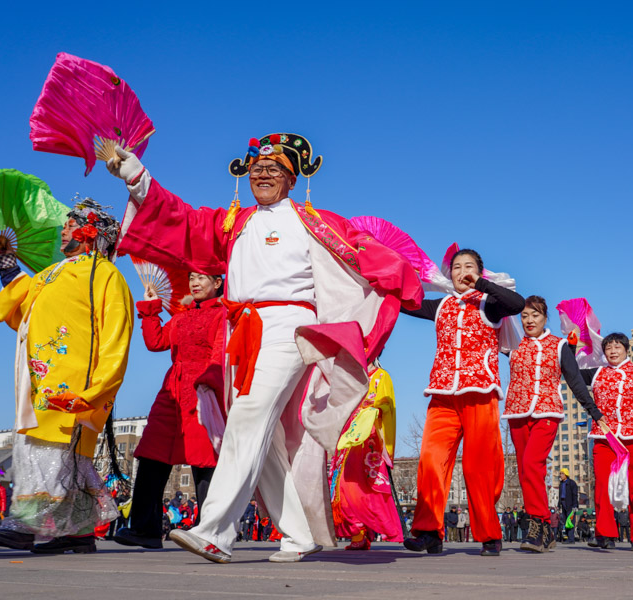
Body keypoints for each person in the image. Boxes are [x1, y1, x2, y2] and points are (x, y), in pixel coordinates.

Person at [110, 134, 421, 563]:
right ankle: (297, 535)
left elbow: (367, 255)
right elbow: (180, 218)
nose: (263, 174)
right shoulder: (232, 223)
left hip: (290, 326)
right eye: (257, 168)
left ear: (292, 179)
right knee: (267, 439)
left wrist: (410, 280)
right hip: (241, 331)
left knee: (248, 416)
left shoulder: (314, 222)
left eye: (274, 169)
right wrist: (137, 177)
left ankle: (215, 531)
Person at [0, 198, 132, 554]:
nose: (63, 230)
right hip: (39, 376)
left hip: (71, 381)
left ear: (90, 233)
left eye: (71, 225)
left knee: (47, 449)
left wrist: (98, 388)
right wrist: (7, 265)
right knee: (60, 454)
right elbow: (25, 312)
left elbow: (117, 334)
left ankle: (27, 523)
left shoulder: (105, 274)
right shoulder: (52, 273)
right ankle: (77, 531)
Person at [401, 248, 524, 557]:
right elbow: (403, 302)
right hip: (442, 395)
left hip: (480, 393)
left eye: (469, 266)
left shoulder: (490, 304)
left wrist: (481, 284)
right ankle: (429, 532)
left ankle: (489, 533)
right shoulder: (441, 305)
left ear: (480, 272)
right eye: (456, 267)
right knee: (431, 461)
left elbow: (517, 303)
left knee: (478, 466)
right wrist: (378, 274)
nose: (461, 271)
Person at [115, 272, 226, 549]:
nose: (195, 283)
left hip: (203, 391)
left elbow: (220, 352)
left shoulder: (223, 314)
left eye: (202, 278)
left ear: (217, 283)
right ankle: (145, 529)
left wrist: (211, 383)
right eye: (191, 278)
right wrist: (151, 307)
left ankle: (209, 531)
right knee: (151, 454)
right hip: (171, 393)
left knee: (204, 461)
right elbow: (155, 343)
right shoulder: (180, 317)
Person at [502, 295, 601, 552]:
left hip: (547, 411)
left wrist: (594, 412)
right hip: (517, 413)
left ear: (545, 318)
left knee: (532, 463)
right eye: (524, 316)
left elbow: (575, 381)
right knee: (526, 472)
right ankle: (545, 528)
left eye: (535, 315)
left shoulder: (559, 346)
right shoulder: (512, 343)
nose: (529, 320)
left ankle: (537, 523)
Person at [578, 333, 633, 551]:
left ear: (626, 350)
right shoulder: (597, 372)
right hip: (604, 437)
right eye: (608, 348)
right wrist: (571, 348)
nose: (613, 351)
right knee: (602, 485)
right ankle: (605, 534)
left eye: (617, 347)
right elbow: (572, 374)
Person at [330, 362, 401, 550]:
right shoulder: (351, 376)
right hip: (348, 437)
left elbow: (387, 405)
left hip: (368, 440)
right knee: (344, 487)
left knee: (362, 489)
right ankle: (358, 533)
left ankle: (365, 532)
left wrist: (373, 411)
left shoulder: (380, 376)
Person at [558, 469, 579, 544]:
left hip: (571, 505)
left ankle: (571, 539)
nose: (560, 475)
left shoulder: (572, 483)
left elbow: (575, 495)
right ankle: (568, 537)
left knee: (570, 521)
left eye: (562, 474)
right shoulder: (561, 484)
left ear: (566, 474)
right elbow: (560, 495)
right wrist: (559, 505)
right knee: (565, 521)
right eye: (560, 474)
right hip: (563, 504)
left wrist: (575, 505)